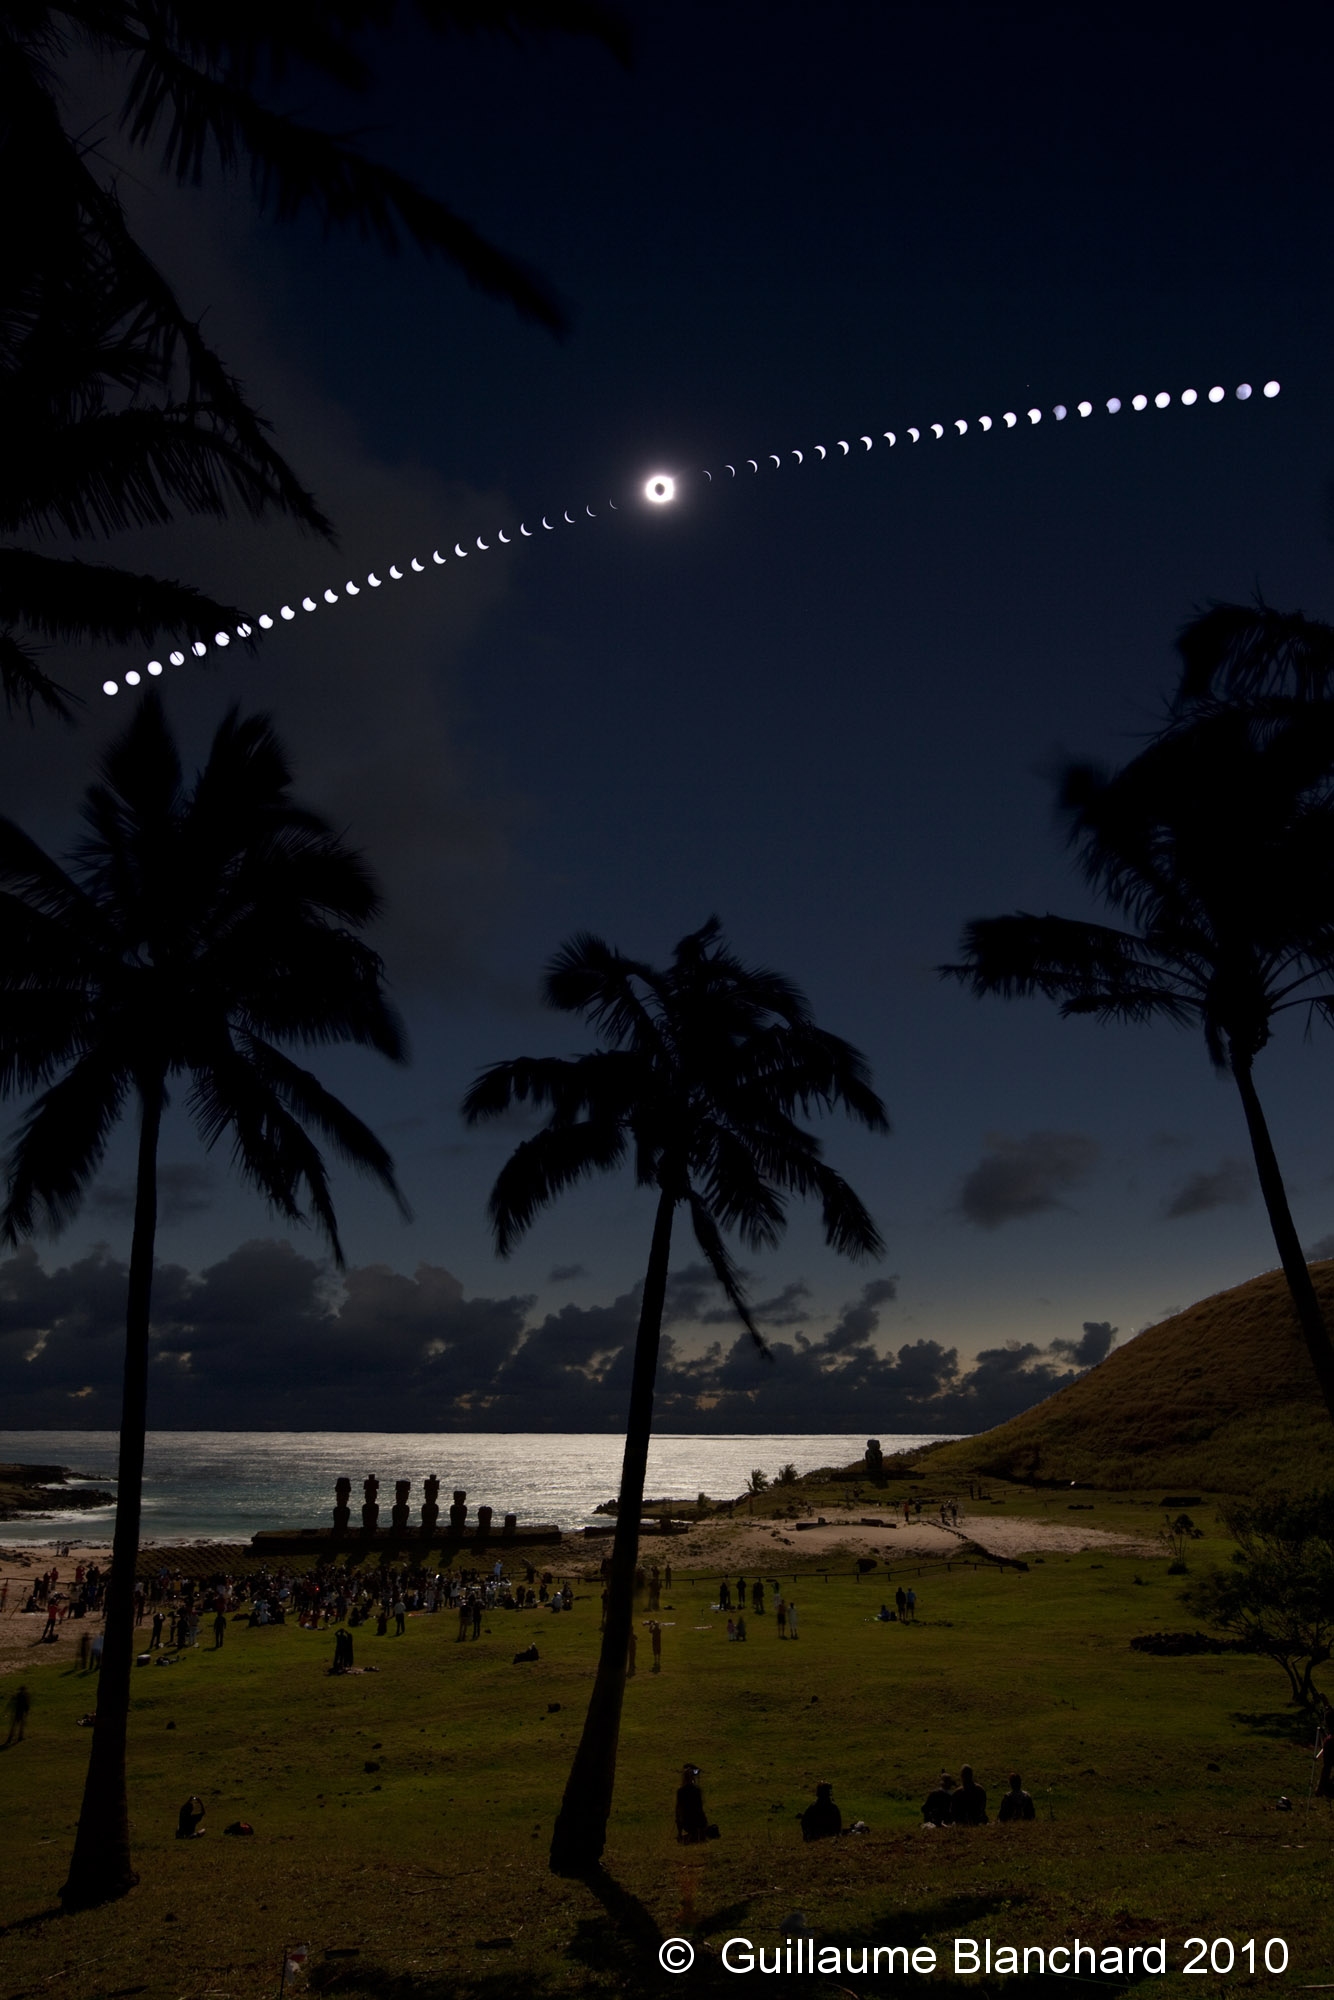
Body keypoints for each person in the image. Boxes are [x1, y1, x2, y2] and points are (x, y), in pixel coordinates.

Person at [675, 1763, 709, 1844]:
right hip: (698, 1822)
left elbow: (678, 1809)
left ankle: (686, 1836)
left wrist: (679, 1831)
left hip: (686, 1822)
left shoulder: (681, 1791)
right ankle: (697, 1835)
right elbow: (700, 1808)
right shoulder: (696, 1790)